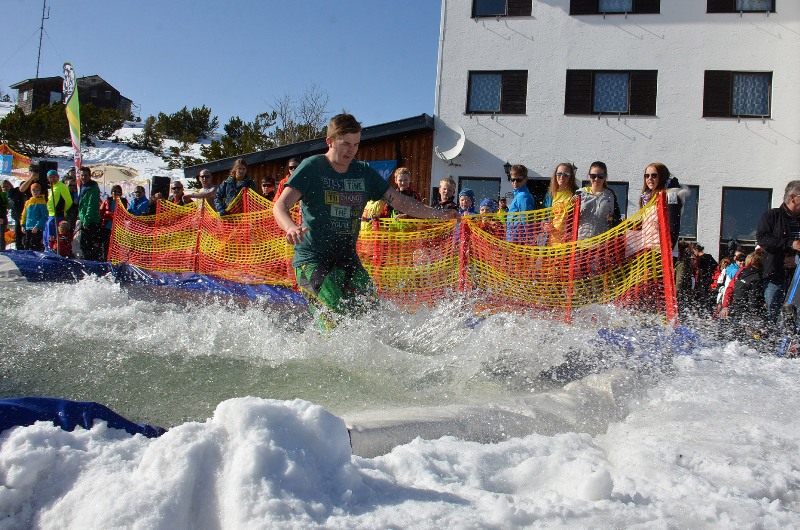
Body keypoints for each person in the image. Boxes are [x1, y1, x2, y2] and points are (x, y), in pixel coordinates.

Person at [272, 113, 458, 329]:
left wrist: (439, 214)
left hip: (346, 259)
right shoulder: (313, 167)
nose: (351, 150)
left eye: (356, 144)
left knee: (373, 315)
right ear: (329, 141)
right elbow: (280, 205)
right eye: (345, 144)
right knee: (335, 318)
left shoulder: (363, 172)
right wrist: (290, 227)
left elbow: (400, 201)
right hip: (313, 259)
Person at [756, 180, 800, 324]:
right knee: (773, 314)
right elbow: (763, 239)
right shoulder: (772, 216)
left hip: (797, 277)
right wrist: (790, 243)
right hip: (775, 274)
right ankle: (772, 337)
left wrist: (796, 260)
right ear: (793, 198)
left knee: (795, 316)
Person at [639, 162, 686, 251]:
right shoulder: (647, 197)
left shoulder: (671, 195)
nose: (649, 179)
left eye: (654, 176)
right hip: (649, 249)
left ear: (662, 176)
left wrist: (668, 248)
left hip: (664, 251)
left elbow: (673, 225)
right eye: (647, 176)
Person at [575, 161, 621, 240]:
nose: (596, 179)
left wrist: (613, 219)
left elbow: (617, 218)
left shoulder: (610, 195)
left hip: (602, 243)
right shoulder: (580, 193)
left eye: (600, 176)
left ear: (605, 177)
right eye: (593, 176)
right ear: (589, 176)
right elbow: (570, 217)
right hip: (581, 242)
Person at [543, 162, 578, 243]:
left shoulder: (576, 194)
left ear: (571, 177)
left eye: (565, 174)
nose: (561, 177)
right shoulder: (550, 195)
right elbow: (543, 217)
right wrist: (544, 224)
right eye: (559, 174)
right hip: (550, 242)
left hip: (568, 243)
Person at [505, 164, 537, 244]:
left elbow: (527, 220)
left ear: (525, 179)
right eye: (512, 180)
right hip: (514, 238)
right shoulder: (518, 195)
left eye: (518, 180)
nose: (515, 182)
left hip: (519, 240)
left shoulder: (523, 196)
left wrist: (529, 241)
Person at [43, 169, 73, 251]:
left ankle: (53, 251)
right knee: (47, 236)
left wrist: (63, 211)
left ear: (58, 177)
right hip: (51, 215)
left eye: (54, 177)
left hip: (57, 215)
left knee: (53, 236)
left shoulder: (61, 187)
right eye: (50, 177)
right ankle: (48, 249)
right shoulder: (53, 187)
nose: (52, 179)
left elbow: (69, 201)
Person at [78, 166, 102, 261]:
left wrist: (86, 220)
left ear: (90, 176)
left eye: (86, 175)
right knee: (83, 245)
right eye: (82, 175)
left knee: (89, 246)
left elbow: (91, 205)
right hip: (83, 219)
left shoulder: (92, 187)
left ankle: (92, 263)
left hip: (90, 221)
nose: (84, 177)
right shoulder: (83, 186)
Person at [99, 185, 128, 258]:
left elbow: (122, 214)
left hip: (117, 229)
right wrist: (111, 215)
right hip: (107, 227)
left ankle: (114, 261)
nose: (116, 193)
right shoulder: (107, 201)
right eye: (115, 191)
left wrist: (110, 213)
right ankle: (105, 261)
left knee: (115, 248)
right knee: (106, 247)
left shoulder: (123, 202)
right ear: (112, 192)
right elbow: (101, 213)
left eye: (119, 192)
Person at [20, 183, 48, 251]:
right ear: (31, 191)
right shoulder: (28, 202)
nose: (35, 192)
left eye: (37, 190)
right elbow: (24, 214)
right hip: (28, 227)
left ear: (40, 191)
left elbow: (44, 216)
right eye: (34, 190)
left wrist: (38, 226)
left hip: (36, 228)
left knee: (35, 246)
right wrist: (23, 225)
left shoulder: (41, 202)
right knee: (27, 245)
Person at [2, 179, 29, 249]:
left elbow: (18, 205)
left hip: (22, 217)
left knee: (22, 236)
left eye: (6, 186)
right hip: (17, 218)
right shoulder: (6, 196)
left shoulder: (15, 192)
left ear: (11, 186)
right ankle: (19, 249)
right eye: (3, 187)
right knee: (18, 236)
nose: (5, 188)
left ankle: (23, 249)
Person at [692, 243, 718, 314]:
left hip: (702, 281)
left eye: (694, 251)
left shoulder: (700, 259)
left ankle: (701, 312)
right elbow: (715, 265)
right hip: (710, 280)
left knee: (701, 299)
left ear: (696, 250)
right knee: (708, 298)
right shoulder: (709, 256)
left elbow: (698, 270)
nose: (694, 253)